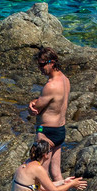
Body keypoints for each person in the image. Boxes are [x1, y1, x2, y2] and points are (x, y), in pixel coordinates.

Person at [27, 47, 70, 182]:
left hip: (46, 133)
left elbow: (36, 109)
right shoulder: (65, 80)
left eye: (42, 64)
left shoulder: (51, 86)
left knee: (41, 173)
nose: (40, 68)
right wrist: (36, 101)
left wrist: (31, 104)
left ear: (51, 63)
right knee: (56, 173)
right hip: (60, 131)